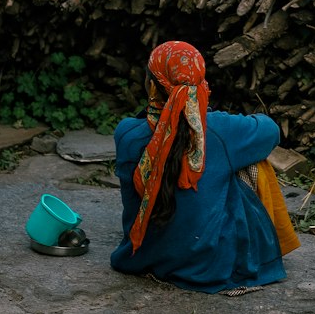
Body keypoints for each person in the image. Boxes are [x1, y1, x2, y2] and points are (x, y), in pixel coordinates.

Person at [110, 40, 299, 294]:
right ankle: (269, 246)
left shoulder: (126, 134)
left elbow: (163, 132)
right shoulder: (219, 130)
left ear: (151, 85)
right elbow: (270, 131)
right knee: (254, 161)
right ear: (200, 87)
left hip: (142, 257)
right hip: (207, 267)